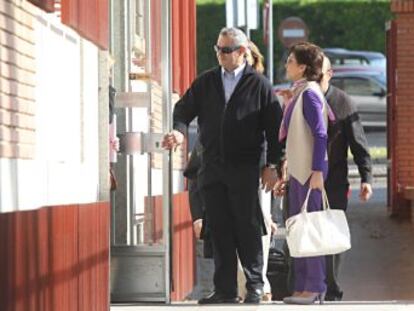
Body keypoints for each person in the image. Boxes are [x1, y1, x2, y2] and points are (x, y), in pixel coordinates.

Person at [162, 27, 284, 304]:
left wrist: (273, 165)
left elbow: (275, 129)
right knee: (219, 228)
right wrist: (179, 132)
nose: (220, 54)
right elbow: (183, 110)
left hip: (245, 167)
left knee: (247, 226)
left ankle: (254, 285)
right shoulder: (207, 82)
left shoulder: (259, 85)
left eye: (226, 50)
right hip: (212, 166)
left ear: (242, 52)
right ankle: (225, 289)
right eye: (217, 48)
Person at [277, 42, 329, 305]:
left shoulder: (308, 93)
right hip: (302, 169)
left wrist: (318, 170)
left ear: (303, 67)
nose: (286, 64)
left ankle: (314, 286)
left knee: (309, 229)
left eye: (290, 60)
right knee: (300, 229)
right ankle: (302, 286)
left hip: (310, 171)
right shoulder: (301, 92)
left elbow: (321, 133)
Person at [320, 55, 373, 301]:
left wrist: (367, 178)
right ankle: (307, 285)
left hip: (334, 181)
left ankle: (332, 287)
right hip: (302, 180)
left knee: (332, 233)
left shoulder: (342, 102)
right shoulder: (299, 99)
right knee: (304, 231)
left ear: (329, 73)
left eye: (318, 72)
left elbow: (358, 143)